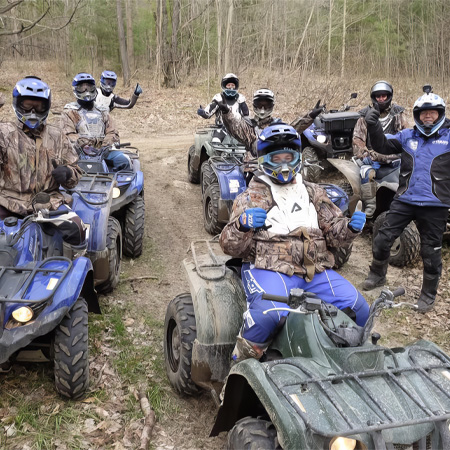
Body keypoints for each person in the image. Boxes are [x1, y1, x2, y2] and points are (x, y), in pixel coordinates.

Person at [219, 123, 369, 362]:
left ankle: (354, 363)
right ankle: (238, 371)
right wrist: (242, 225)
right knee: (267, 315)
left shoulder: (313, 191)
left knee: (359, 308)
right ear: (264, 159)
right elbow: (229, 246)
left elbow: (332, 232)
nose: (284, 165)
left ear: (298, 157)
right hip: (269, 269)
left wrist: (350, 227)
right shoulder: (252, 197)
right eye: (276, 158)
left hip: (314, 271)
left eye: (289, 157)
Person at [362, 91, 450, 313]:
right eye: (423, 113)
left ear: (440, 114)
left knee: (431, 252)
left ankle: (428, 295)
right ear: (417, 115)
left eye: (432, 113)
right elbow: (382, 146)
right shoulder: (407, 136)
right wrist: (373, 126)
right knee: (382, 239)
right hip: (405, 200)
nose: (427, 117)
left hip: (435, 204)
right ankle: (377, 275)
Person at [0, 76, 86, 253]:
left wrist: (69, 173)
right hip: (8, 202)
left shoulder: (57, 136)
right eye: (27, 105)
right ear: (17, 104)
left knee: (77, 228)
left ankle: (73, 272)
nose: (33, 111)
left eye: (38, 106)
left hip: (49, 203)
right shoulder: (4, 133)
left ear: (46, 106)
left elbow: (76, 171)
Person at [219, 88, 324, 164]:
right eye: (259, 105)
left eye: (266, 105)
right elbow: (236, 127)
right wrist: (226, 112)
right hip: (254, 168)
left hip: (279, 164)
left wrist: (311, 115)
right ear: (254, 105)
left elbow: (294, 129)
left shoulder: (277, 124)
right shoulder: (249, 126)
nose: (262, 109)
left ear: (272, 105)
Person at [353, 81, 408, 217]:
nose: (381, 99)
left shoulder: (398, 114)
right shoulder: (365, 116)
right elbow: (357, 139)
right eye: (378, 97)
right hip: (372, 159)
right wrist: (364, 155)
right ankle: (370, 206)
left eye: (384, 96)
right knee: (366, 173)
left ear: (389, 96)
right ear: (374, 98)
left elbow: (407, 134)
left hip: (395, 158)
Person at [61, 72, 130, 172]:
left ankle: (117, 185)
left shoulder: (103, 111)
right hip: (78, 151)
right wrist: (84, 146)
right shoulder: (70, 111)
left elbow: (113, 132)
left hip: (103, 151)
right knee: (62, 166)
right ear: (76, 90)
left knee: (123, 161)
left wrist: (105, 146)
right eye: (82, 88)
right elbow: (68, 134)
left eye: (89, 87)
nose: (86, 91)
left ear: (94, 88)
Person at [197, 73, 249, 143]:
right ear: (224, 85)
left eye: (233, 85)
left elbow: (247, 115)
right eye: (228, 85)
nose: (231, 87)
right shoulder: (218, 98)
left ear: (236, 86)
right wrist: (202, 112)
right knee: (215, 142)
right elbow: (208, 113)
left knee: (250, 143)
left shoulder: (241, 99)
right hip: (222, 128)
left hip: (238, 128)